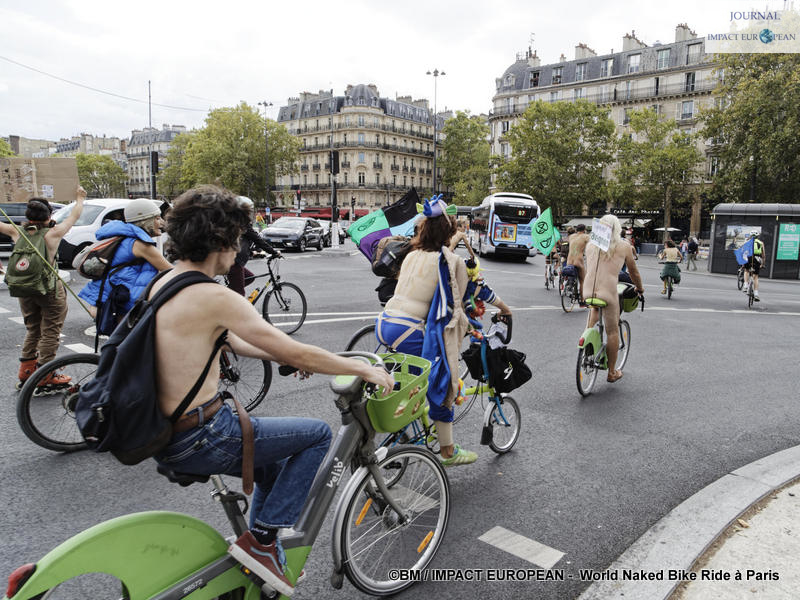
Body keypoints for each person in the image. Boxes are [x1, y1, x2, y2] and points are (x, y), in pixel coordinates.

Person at [150, 185, 394, 596]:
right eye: (238, 239)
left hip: (168, 432)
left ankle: (257, 554)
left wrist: (288, 358)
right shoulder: (214, 295)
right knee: (316, 435)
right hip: (204, 433)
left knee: (273, 468)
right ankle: (262, 542)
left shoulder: (167, 283)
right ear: (220, 240)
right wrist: (358, 367)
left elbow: (229, 340)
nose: (240, 249)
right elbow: (291, 348)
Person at [376, 195, 511, 466]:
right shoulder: (451, 261)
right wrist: (497, 313)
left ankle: (401, 426)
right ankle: (448, 451)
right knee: (443, 383)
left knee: (408, 382)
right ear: (448, 232)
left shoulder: (412, 254)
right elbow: (464, 297)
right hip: (410, 330)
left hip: (386, 323)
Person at [0, 188, 86, 388]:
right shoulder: (53, 233)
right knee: (51, 330)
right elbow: (74, 215)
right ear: (49, 215)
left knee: (33, 328)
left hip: (24, 289)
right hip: (49, 288)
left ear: (28, 216)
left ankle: (27, 370)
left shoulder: (17, 231)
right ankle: (45, 374)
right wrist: (80, 198)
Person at [78, 198, 172, 321]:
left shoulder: (124, 237)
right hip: (117, 309)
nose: (162, 223)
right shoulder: (141, 245)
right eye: (157, 218)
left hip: (105, 303)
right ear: (145, 221)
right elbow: (170, 271)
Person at [582, 214, 644, 383]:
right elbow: (633, 272)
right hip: (608, 293)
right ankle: (611, 372)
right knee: (612, 331)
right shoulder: (624, 246)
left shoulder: (590, 245)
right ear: (617, 229)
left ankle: (588, 341)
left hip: (588, 290)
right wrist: (640, 288)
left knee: (594, 311)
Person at [227, 196, 280, 296]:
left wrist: (252, 252)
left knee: (249, 277)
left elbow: (241, 242)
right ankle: (226, 298)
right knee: (240, 293)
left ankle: (227, 294)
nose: (250, 214)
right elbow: (258, 240)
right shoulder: (243, 225)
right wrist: (274, 252)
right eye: (249, 211)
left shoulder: (237, 223)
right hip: (235, 262)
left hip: (235, 261)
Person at [567, 224, 591, 305]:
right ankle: (582, 300)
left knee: (571, 274)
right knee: (582, 281)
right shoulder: (586, 237)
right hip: (578, 260)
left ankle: (570, 285)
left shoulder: (571, 236)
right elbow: (591, 246)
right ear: (584, 230)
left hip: (569, 260)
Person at [743, 231, 765, 301]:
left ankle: (745, 285)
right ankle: (756, 294)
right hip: (757, 259)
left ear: (750, 236)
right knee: (755, 277)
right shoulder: (761, 243)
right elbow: (763, 255)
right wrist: (762, 264)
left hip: (748, 258)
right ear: (758, 236)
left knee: (746, 270)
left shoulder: (747, 242)